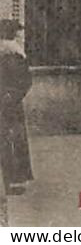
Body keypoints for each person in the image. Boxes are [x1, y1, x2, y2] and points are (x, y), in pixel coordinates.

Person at [0, 20, 32, 196]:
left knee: (6, 141)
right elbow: (26, 81)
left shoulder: (12, 54)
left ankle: (8, 181)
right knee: (14, 140)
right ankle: (15, 181)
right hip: (11, 104)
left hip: (6, 102)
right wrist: (14, 95)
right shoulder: (17, 55)